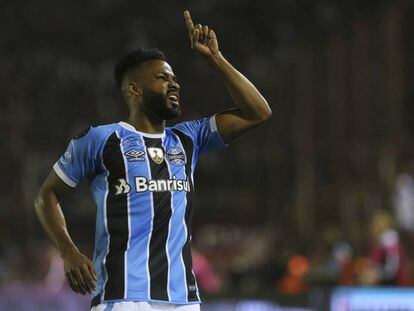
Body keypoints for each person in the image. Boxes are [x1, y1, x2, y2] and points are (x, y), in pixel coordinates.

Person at [34, 10, 271, 311]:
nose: (175, 85)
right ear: (134, 88)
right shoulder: (101, 139)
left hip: (183, 298)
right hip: (123, 296)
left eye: (174, 79)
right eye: (162, 78)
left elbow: (258, 113)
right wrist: (68, 251)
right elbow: (47, 195)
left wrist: (215, 59)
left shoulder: (188, 139)